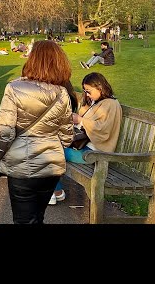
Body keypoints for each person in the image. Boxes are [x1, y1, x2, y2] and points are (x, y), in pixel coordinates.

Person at [0, 40, 73, 224]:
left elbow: (5, 132)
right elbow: (67, 136)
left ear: (32, 59)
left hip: (21, 166)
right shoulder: (62, 93)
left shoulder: (14, 88)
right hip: (50, 165)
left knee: (23, 220)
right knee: (37, 217)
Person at [49, 72, 122, 204]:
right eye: (85, 91)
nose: (87, 94)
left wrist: (81, 120)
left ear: (100, 87)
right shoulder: (95, 102)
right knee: (50, 147)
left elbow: (103, 130)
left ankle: (54, 191)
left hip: (95, 153)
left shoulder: (111, 104)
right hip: (83, 148)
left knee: (52, 152)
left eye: (89, 91)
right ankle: (56, 191)